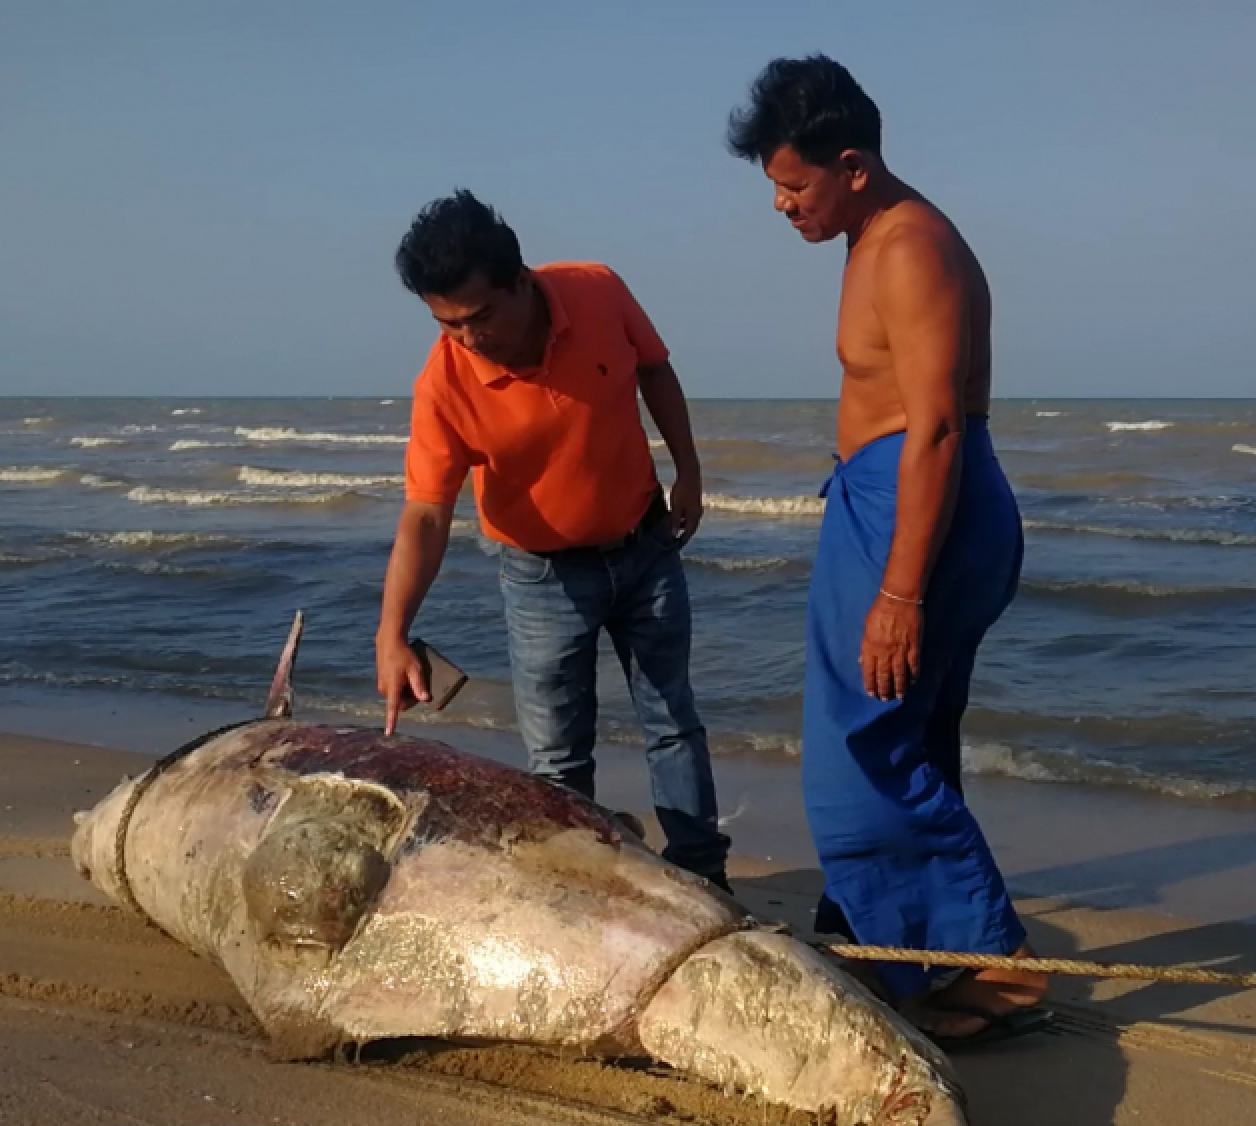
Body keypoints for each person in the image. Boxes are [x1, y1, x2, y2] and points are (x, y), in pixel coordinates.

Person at [727, 56, 1050, 1047]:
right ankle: (901, 951)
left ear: (853, 165)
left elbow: (937, 427)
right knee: (902, 737)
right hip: (889, 496)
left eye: (793, 185)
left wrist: (900, 591)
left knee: (853, 749)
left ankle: (991, 967)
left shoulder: (909, 247)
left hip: (920, 507)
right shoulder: (867, 233)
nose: (780, 206)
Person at [375, 190, 732, 891]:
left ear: (521, 280)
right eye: (448, 325)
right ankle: (584, 890)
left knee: (673, 722)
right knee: (559, 758)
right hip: (541, 579)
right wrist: (393, 632)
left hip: (645, 546)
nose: (468, 339)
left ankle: (703, 877)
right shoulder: (444, 383)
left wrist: (688, 469)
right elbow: (425, 512)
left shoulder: (596, 290)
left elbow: (654, 368)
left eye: (479, 317)